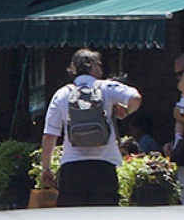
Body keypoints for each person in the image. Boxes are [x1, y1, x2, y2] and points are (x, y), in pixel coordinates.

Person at [39, 49, 140, 207]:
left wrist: (45, 168)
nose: (101, 69)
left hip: (71, 168)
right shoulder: (107, 88)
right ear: (91, 66)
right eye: (98, 65)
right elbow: (135, 98)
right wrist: (125, 111)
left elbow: (50, 135)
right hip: (104, 167)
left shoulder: (62, 94)